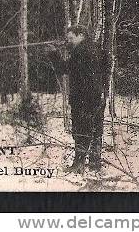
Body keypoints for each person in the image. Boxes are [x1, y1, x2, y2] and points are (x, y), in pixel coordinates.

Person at [52, 25, 112, 173]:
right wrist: (103, 90)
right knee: (96, 130)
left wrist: (53, 54)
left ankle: (78, 165)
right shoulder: (98, 49)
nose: (69, 41)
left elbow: (64, 69)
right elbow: (107, 67)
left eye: (71, 38)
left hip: (83, 98)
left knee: (81, 131)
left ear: (81, 35)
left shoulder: (81, 51)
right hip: (97, 97)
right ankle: (94, 164)